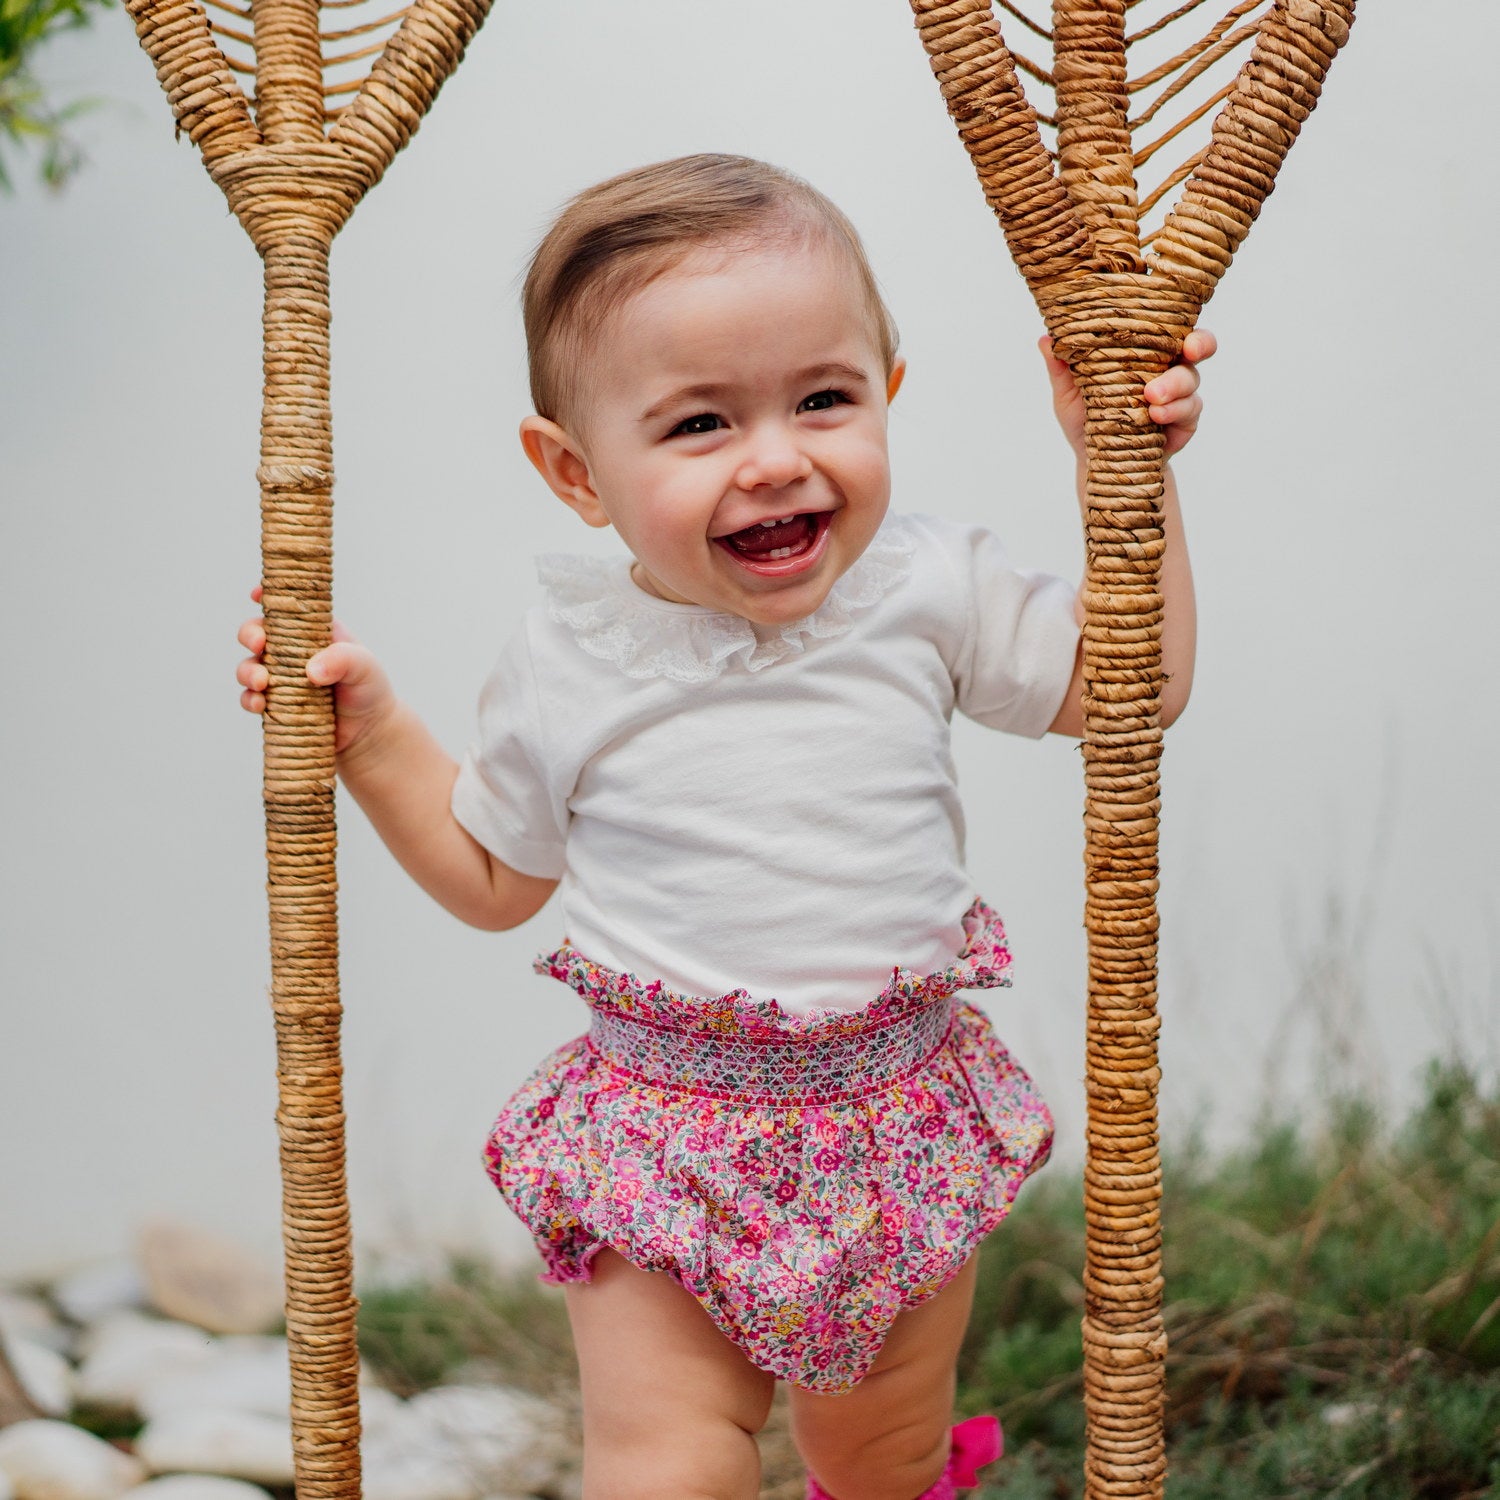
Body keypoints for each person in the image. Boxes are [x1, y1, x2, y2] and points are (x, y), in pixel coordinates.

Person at [236, 154, 1211, 1500]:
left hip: (898, 1130)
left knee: (880, 1457)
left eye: (824, 398)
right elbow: (491, 876)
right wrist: (378, 740)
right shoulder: (573, 659)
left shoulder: (926, 585)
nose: (776, 458)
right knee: (666, 1461)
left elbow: (1132, 687)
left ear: (889, 395)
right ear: (576, 473)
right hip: (665, 1148)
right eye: (699, 425)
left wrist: (1125, 472)